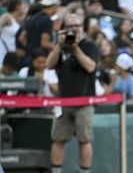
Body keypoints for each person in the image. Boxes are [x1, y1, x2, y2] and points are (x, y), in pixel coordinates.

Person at [46, 14, 100, 173]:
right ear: (64, 29)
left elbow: (91, 67)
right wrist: (58, 45)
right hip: (63, 101)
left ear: (82, 27)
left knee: (84, 140)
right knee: (58, 139)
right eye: (70, 26)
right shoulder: (61, 46)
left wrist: (75, 48)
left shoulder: (89, 45)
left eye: (77, 25)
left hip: (84, 100)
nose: (74, 29)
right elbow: (49, 65)